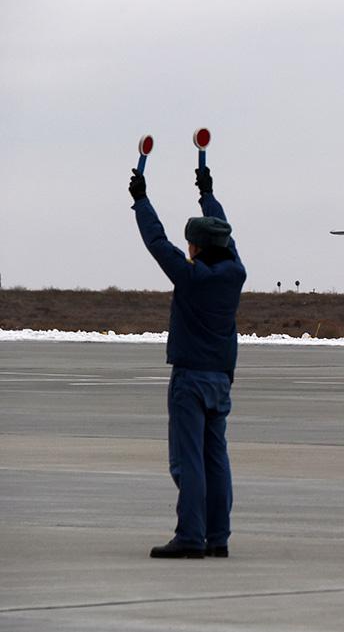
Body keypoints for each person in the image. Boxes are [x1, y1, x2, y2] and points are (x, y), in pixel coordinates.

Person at [129, 164, 246, 559]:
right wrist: (208, 193)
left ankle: (191, 537)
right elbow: (225, 232)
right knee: (216, 457)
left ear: (195, 248)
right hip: (220, 381)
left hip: (190, 380)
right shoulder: (235, 274)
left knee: (188, 461)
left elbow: (157, 242)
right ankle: (219, 537)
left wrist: (140, 200)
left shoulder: (190, 277)